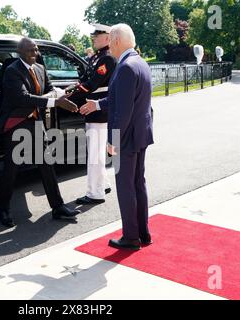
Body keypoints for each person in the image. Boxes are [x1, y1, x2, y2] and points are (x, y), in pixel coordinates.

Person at [80, 24, 154, 250]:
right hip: (141, 134)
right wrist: (98, 104)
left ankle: (131, 237)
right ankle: (143, 232)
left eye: (111, 40)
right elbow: (123, 99)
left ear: (118, 40)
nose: (109, 44)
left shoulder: (124, 68)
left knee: (125, 187)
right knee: (138, 183)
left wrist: (113, 140)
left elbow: (123, 111)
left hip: (126, 138)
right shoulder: (139, 63)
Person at [0, 37, 80, 228]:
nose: (35, 54)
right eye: (31, 51)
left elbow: (50, 89)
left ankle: (58, 207)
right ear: (20, 52)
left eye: (36, 50)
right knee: (11, 169)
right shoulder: (12, 71)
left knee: (46, 164)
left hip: (36, 122)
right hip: (16, 123)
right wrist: (53, 101)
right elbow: (22, 98)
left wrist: (56, 96)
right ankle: (4, 209)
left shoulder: (40, 69)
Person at [66, 23, 117, 205]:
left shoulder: (107, 58)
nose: (93, 37)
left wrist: (67, 96)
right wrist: (71, 89)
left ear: (107, 37)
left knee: (95, 154)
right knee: (97, 151)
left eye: (97, 34)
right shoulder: (98, 57)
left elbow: (92, 84)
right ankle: (103, 183)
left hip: (99, 112)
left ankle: (95, 193)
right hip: (95, 111)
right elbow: (86, 80)